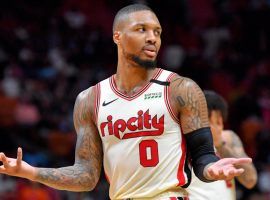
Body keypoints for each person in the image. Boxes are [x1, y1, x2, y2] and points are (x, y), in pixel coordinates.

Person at [0, 4, 252, 200]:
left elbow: (203, 156)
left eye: (157, 32)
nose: (152, 37)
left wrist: (211, 171)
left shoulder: (181, 89)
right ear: (117, 36)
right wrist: (30, 172)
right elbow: (86, 175)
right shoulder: (90, 100)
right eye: (141, 29)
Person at [187, 90, 257, 200]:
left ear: (220, 121)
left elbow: (250, 180)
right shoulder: (184, 140)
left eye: (207, 119)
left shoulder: (228, 138)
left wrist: (220, 144)